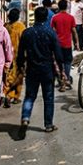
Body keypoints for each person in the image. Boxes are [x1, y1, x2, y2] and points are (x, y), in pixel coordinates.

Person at [16, 7, 64, 139]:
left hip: (32, 69)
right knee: (48, 97)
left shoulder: (27, 33)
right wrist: (61, 70)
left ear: (35, 17)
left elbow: (21, 53)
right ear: (46, 17)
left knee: (29, 96)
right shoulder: (50, 33)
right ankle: (48, 124)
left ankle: (25, 118)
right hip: (47, 69)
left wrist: (20, 66)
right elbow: (58, 54)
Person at [51, 0, 79, 91]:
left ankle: (62, 82)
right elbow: (74, 32)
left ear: (58, 7)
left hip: (57, 45)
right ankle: (66, 81)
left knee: (59, 64)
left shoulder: (55, 18)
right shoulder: (71, 18)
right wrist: (77, 43)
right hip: (67, 44)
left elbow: (52, 32)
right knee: (67, 63)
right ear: (67, 7)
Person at [3, 8, 26, 107]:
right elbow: (24, 41)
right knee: (18, 76)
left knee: (8, 76)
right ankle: (14, 96)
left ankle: (7, 94)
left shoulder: (5, 26)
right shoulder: (21, 26)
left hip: (6, 55)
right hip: (18, 55)